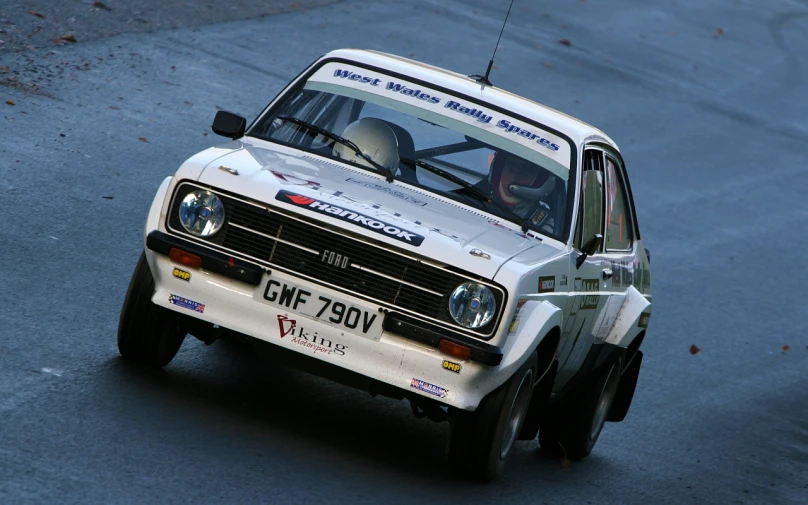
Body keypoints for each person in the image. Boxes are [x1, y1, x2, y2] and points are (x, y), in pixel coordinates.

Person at [484, 152, 557, 233]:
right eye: (510, 170)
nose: (514, 179)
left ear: (537, 183)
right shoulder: (476, 198)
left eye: (524, 174)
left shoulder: (546, 225)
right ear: (498, 172)